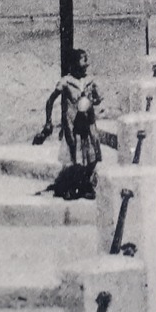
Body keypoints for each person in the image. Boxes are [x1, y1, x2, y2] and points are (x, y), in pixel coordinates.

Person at [36, 48, 103, 200]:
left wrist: (92, 100)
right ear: (74, 63)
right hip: (73, 126)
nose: (87, 63)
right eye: (83, 60)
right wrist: (48, 122)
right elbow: (50, 100)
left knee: (90, 155)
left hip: (88, 124)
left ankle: (86, 185)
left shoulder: (89, 82)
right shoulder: (66, 82)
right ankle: (71, 186)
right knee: (74, 155)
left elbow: (98, 99)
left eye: (87, 60)